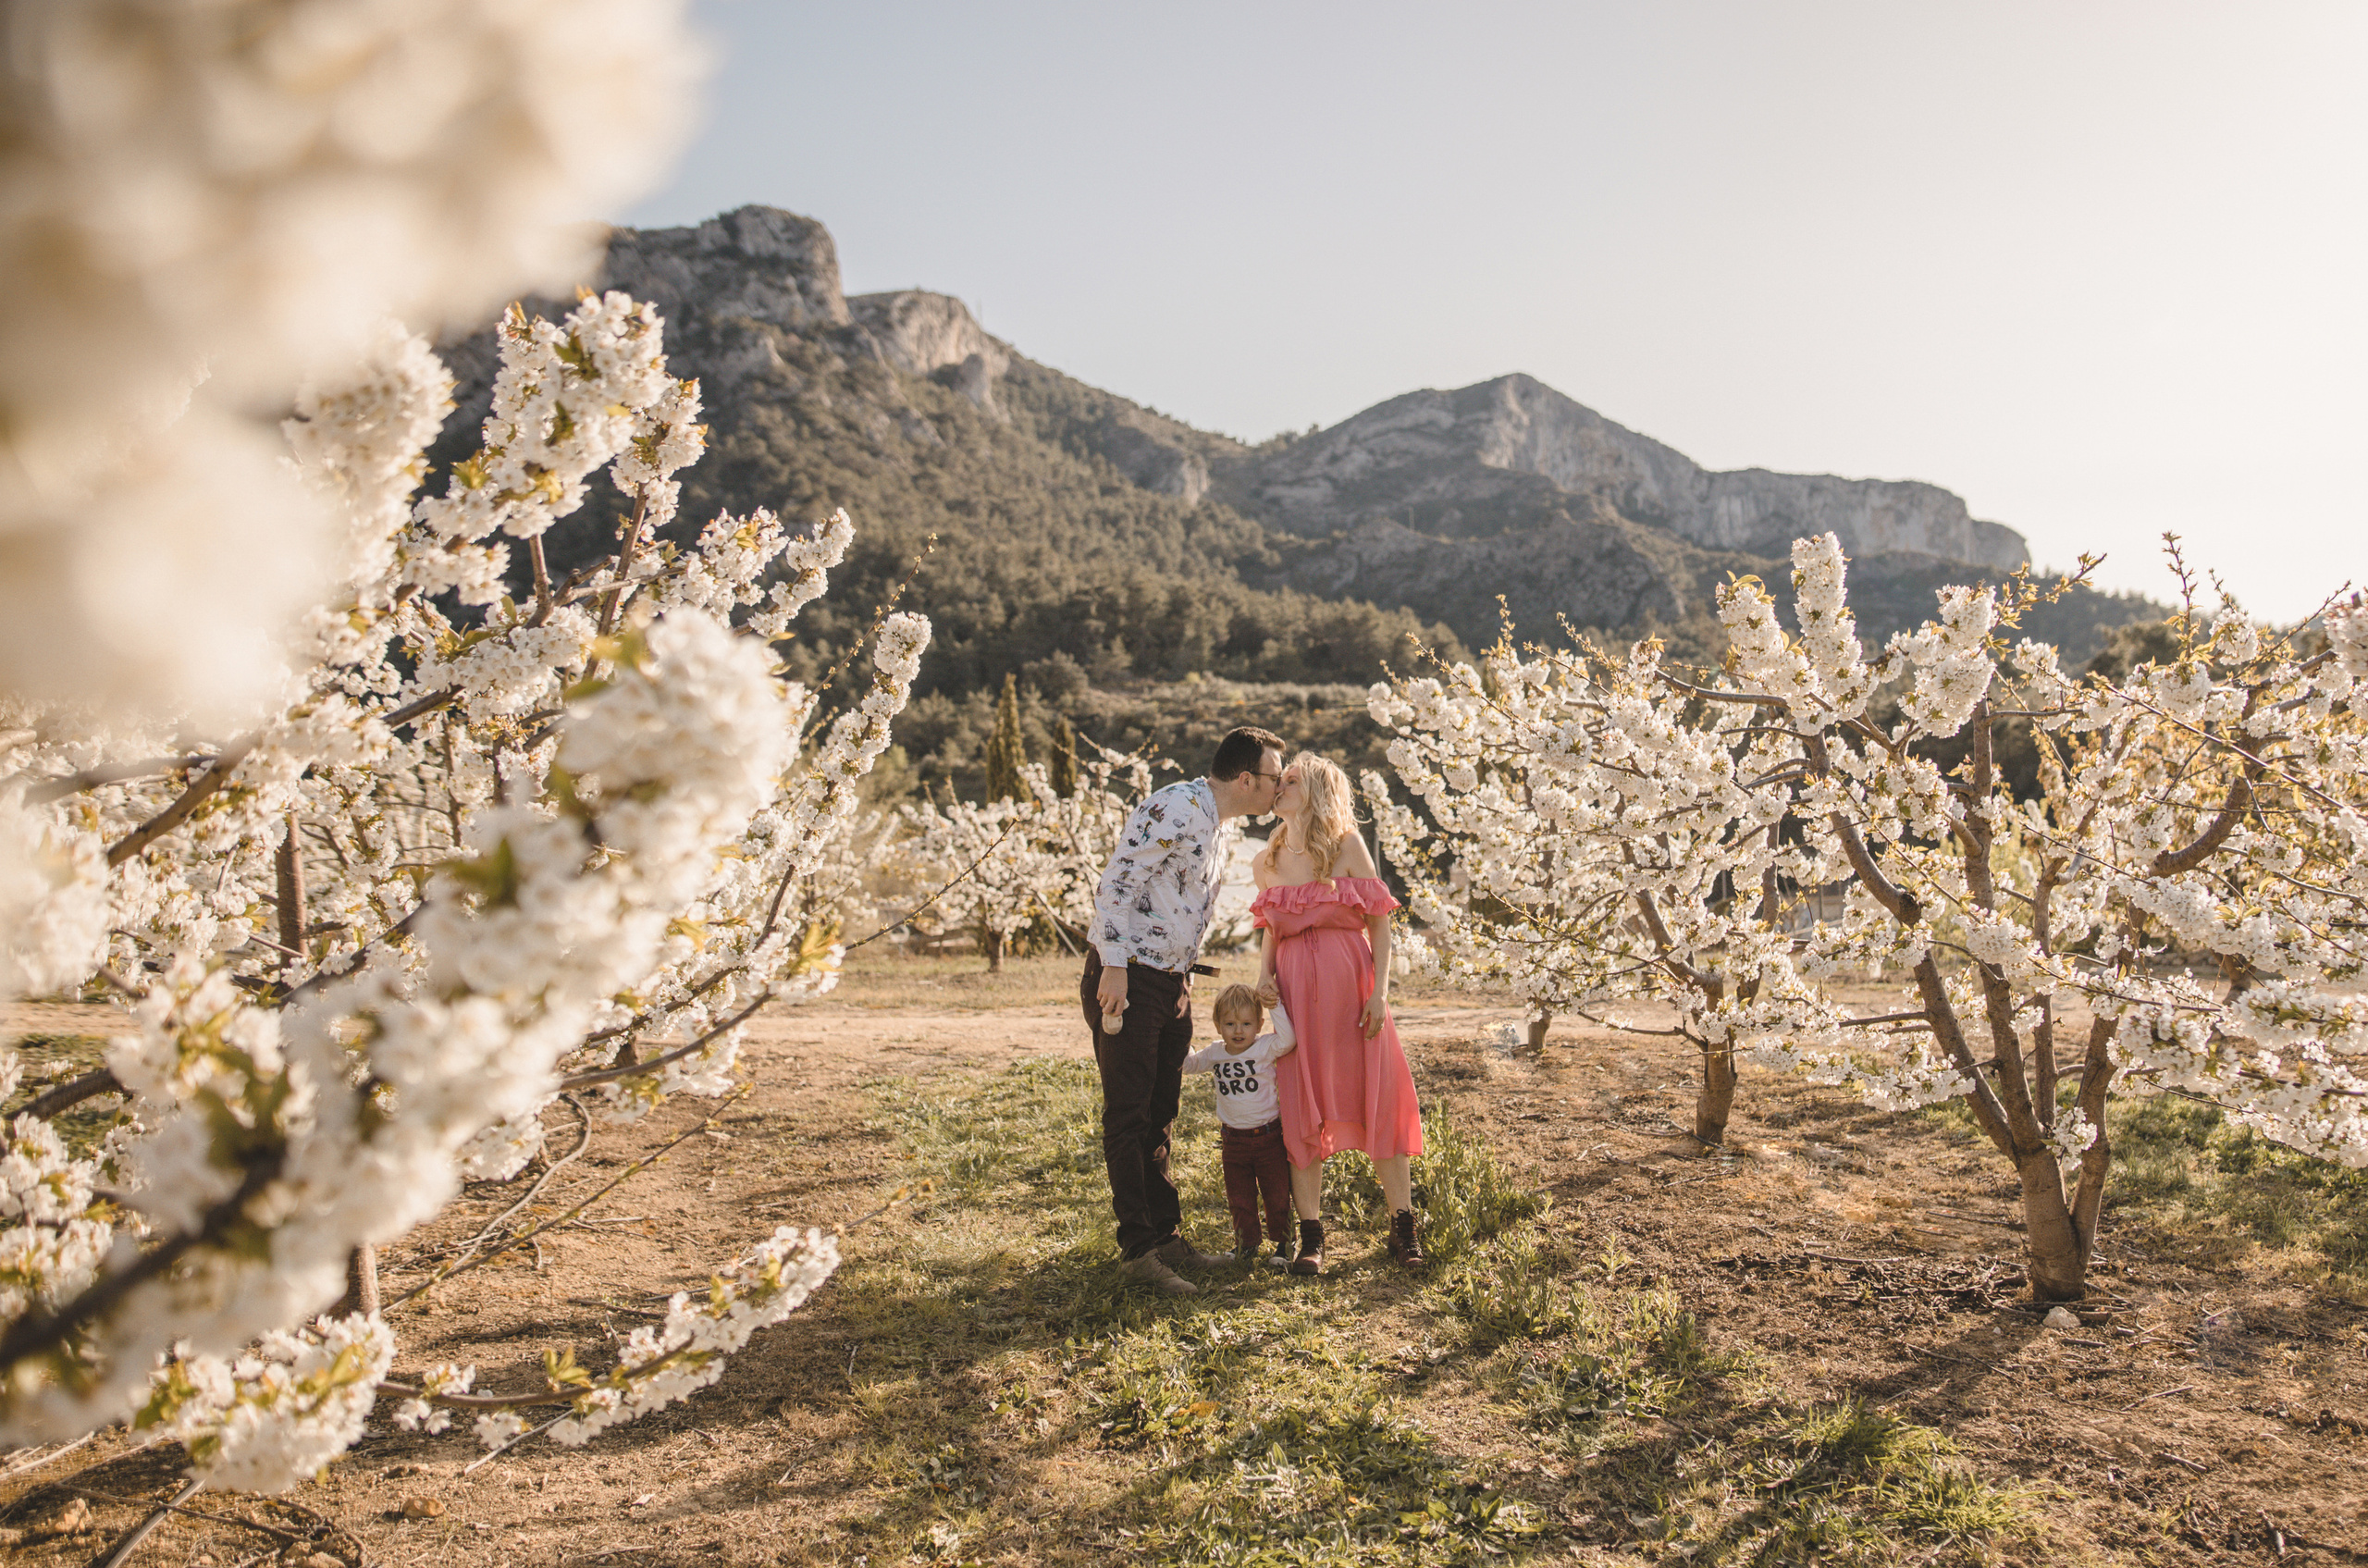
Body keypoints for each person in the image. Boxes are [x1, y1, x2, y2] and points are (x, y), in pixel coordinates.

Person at [1083, 725, 1285, 1296]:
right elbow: (1118, 881)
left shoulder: (1219, 828)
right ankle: (1138, 1251)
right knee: (1128, 1113)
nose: (1277, 787)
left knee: (1160, 1110)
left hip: (1171, 982)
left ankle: (1167, 1238)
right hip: (1128, 978)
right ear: (1246, 778)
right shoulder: (1176, 805)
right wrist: (1115, 964)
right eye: (1274, 777)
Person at [1252, 753, 1425, 1274]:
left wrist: (1380, 993)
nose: (1278, 787)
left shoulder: (1347, 847)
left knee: (1379, 1100)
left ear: (1317, 790)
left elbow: (1379, 924)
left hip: (1352, 991)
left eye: (1289, 780)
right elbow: (1269, 928)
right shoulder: (1266, 861)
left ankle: (1404, 1230)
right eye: (1278, 780)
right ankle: (1312, 1238)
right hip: (1293, 997)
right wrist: (1263, 976)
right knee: (1303, 1108)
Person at [1182, 985, 1298, 1266]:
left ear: (1258, 1024)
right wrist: (1178, 1032)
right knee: (1240, 1196)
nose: (1238, 1031)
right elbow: (1188, 1065)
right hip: (1233, 1141)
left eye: (1246, 1024)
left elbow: (1289, 1040)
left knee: (1277, 1193)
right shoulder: (1215, 1053)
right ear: (1218, 1025)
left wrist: (1273, 1005)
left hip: (1268, 1136)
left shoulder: (1264, 1047)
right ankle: (1247, 1244)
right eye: (1230, 1024)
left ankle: (1284, 1244)